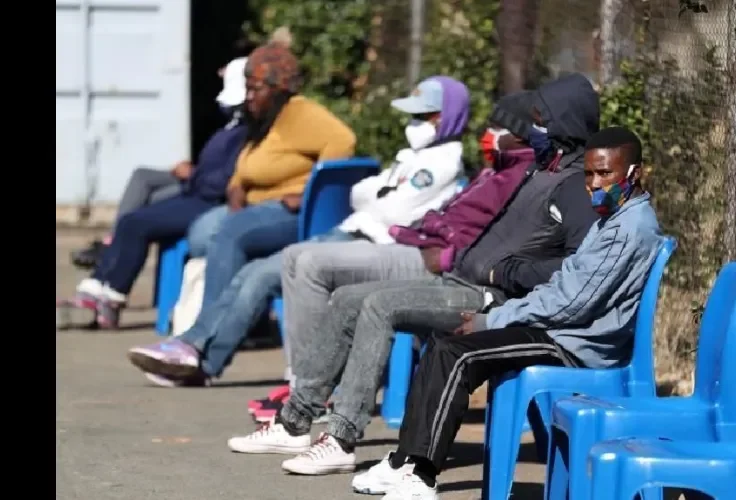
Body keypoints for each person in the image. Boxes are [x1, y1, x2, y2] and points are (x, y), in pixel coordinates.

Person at [223, 74, 601, 472]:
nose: (533, 129)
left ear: (564, 123)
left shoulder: (575, 186)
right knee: (347, 298)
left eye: (543, 120)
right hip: (460, 278)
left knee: (378, 306)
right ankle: (294, 420)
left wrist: (503, 271)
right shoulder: (541, 170)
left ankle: (341, 437)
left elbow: (575, 265)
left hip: (488, 295)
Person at [352, 127, 665, 499]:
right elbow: (563, 284)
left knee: (458, 355)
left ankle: (422, 475)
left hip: (577, 345)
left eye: (605, 174)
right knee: (444, 340)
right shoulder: (611, 218)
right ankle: (405, 459)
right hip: (561, 330)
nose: (594, 183)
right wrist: (506, 312)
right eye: (589, 174)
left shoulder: (628, 229)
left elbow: (572, 303)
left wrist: (493, 319)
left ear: (634, 172)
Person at [125, 76, 472, 387]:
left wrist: (375, 197)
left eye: (424, 116)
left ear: (448, 118)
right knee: (251, 271)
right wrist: (375, 196)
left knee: (262, 275)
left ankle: (200, 353)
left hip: (374, 244)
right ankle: (199, 356)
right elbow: (360, 193)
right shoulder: (413, 155)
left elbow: (388, 208)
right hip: (352, 231)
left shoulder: (442, 162)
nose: (414, 123)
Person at [179, 41, 357, 319]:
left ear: (279, 89)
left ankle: (209, 326)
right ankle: (248, 315)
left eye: (255, 89)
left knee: (229, 233)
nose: (248, 97)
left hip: (291, 213)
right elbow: (246, 162)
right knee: (200, 236)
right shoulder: (265, 119)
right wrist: (235, 187)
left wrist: (310, 194)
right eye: (247, 88)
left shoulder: (301, 113)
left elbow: (344, 140)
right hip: (253, 205)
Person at [69, 58, 250, 328]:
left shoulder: (245, 131)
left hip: (207, 202)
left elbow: (222, 179)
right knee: (137, 217)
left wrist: (193, 176)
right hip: (199, 194)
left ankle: (113, 293)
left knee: (135, 223)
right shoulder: (235, 126)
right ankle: (101, 283)